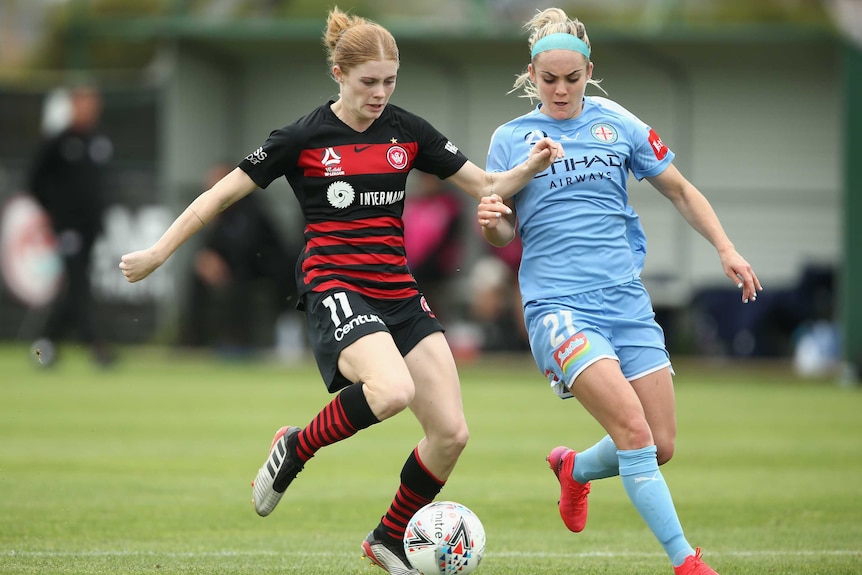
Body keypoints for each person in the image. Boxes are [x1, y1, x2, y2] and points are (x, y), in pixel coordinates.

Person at [119, 7, 562, 575]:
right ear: (339, 75)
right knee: (391, 389)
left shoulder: (407, 131)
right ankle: (296, 448)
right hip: (335, 283)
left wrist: (531, 164)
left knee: (451, 433)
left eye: (389, 81)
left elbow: (488, 185)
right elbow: (220, 196)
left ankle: (388, 536)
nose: (380, 94)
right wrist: (160, 251)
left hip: (398, 291)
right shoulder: (303, 137)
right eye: (368, 82)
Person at [476, 8, 762, 575]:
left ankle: (575, 470)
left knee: (660, 444)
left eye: (572, 78)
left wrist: (726, 247)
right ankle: (687, 562)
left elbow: (679, 190)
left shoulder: (617, 124)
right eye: (549, 78)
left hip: (625, 302)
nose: (561, 90)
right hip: (558, 307)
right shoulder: (510, 140)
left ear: (589, 71)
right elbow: (502, 226)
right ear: (531, 73)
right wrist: (492, 223)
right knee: (632, 432)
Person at [28, 84, 114, 367]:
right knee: (78, 285)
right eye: (84, 103)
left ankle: (46, 344)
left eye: (94, 103)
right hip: (68, 229)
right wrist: (56, 213)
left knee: (76, 287)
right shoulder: (58, 141)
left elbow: (98, 185)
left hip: (90, 227)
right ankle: (95, 346)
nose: (91, 109)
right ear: (73, 105)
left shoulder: (98, 140)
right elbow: (35, 181)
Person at [181, 161, 298, 354]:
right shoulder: (217, 213)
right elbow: (209, 247)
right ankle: (192, 338)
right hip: (235, 268)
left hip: (266, 268)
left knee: (237, 278)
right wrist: (206, 259)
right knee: (197, 272)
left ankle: (236, 337)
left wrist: (219, 262)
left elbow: (246, 248)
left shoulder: (250, 206)